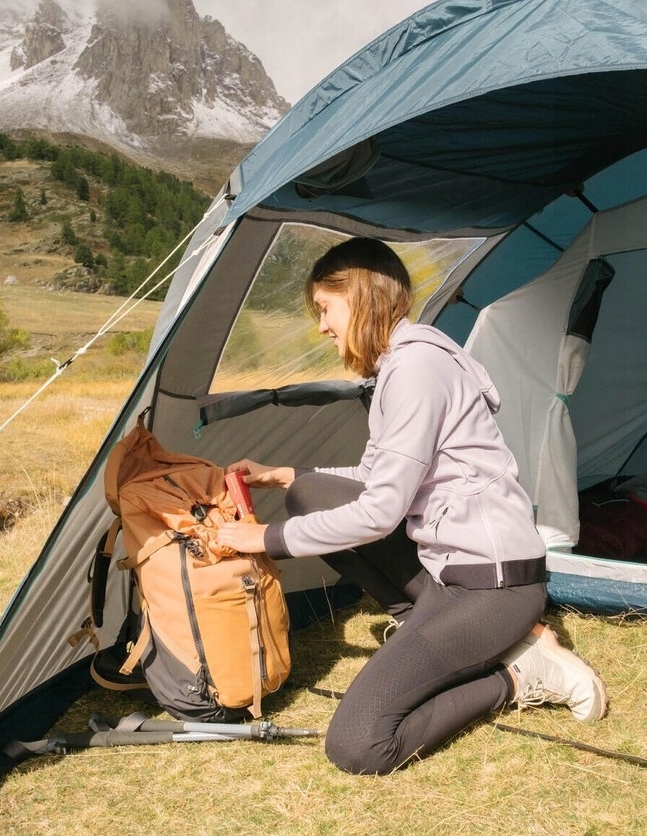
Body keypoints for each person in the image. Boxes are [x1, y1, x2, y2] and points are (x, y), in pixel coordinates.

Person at [212, 237, 607, 775]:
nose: (322, 327)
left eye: (326, 309)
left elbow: (378, 512)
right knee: (309, 494)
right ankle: (463, 635)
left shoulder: (417, 368)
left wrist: (266, 540)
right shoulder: (403, 364)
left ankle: (518, 676)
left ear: (361, 296)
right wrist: (286, 475)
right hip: (453, 576)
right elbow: (378, 479)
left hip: (492, 588)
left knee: (358, 746)